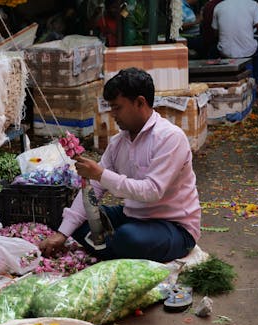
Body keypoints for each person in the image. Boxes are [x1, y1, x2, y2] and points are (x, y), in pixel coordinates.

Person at [39, 68, 201, 263]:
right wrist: (62, 235)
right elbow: (96, 188)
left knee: (128, 237)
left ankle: (112, 247)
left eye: (117, 108)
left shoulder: (170, 138)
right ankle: (114, 247)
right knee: (72, 220)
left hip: (173, 226)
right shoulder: (118, 142)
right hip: (133, 217)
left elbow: (152, 191)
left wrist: (100, 173)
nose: (113, 114)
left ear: (140, 102)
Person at [212, 0, 258, 90]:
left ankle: (216, 81)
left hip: (225, 52)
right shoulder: (253, 4)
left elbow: (216, 34)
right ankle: (256, 83)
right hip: (248, 51)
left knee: (212, 49)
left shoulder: (219, 6)